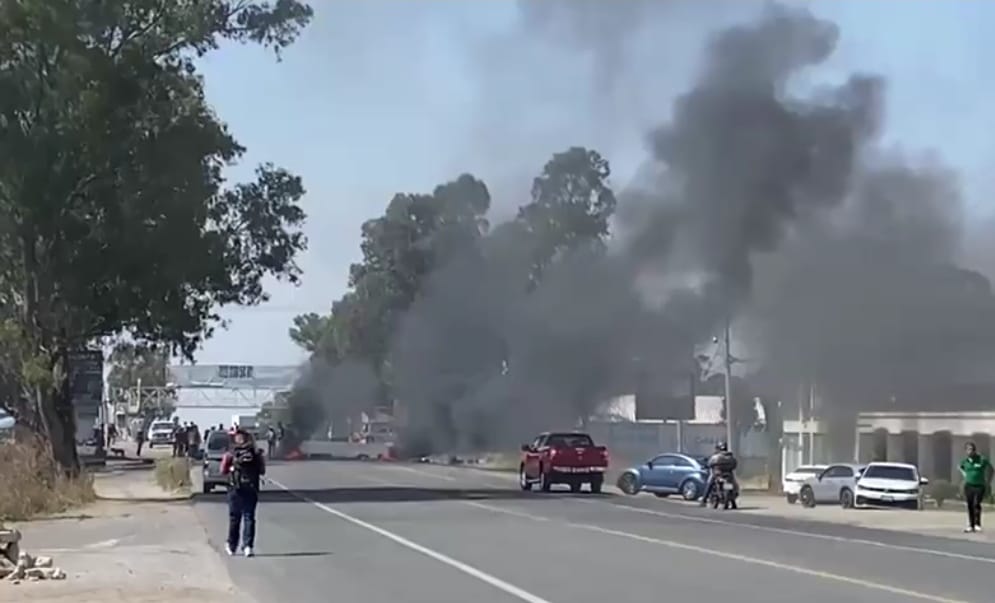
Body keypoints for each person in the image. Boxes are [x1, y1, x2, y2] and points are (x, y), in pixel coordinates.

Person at [220, 429, 266, 557]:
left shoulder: (231, 454)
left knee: (235, 518)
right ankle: (248, 546)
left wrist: (230, 468)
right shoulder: (255, 453)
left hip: (235, 489)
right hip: (251, 489)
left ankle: (231, 545)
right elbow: (262, 471)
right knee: (249, 517)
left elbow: (223, 470)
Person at [958, 441, 992, 533]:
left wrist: (988, 481)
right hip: (969, 485)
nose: (969, 452)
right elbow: (960, 467)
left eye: (971, 450)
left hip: (979, 485)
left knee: (976, 504)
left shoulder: (981, 459)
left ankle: (977, 524)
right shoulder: (965, 461)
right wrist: (965, 475)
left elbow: (990, 468)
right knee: (970, 505)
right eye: (968, 450)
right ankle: (971, 525)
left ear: (974, 451)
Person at [700, 442, 739, 507]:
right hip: (729, 474)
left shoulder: (715, 456)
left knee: (710, 483)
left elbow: (709, 464)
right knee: (731, 484)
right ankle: (733, 503)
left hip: (718, 474)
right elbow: (734, 465)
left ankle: (704, 500)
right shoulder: (731, 457)